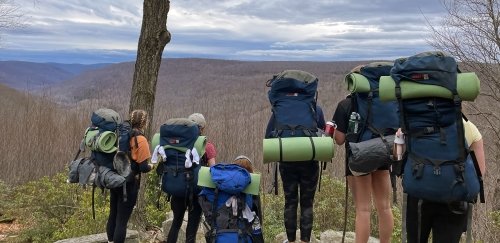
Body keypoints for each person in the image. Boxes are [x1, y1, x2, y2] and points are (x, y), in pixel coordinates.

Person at [404, 118, 486, 243]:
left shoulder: (414, 124)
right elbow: (479, 172)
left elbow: (398, 160)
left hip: (419, 195)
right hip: (455, 198)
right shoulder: (470, 129)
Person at [332, 97, 394, 243]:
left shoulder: (346, 104)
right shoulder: (384, 102)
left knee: (363, 209)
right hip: (381, 153)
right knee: (384, 207)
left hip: (357, 158)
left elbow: (339, 140)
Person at [265, 105, 325, 243]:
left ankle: (291, 241)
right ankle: (305, 241)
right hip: (310, 161)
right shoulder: (315, 108)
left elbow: (268, 135)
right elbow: (323, 135)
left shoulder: (280, 109)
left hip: (287, 161)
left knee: (290, 202)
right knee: (307, 203)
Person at [166, 113, 217, 243]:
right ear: (202, 129)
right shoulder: (207, 146)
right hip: (196, 191)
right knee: (192, 228)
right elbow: (213, 170)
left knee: (176, 223)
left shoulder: (176, 144)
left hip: (177, 189)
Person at [106, 109, 153, 243]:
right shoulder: (141, 140)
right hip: (130, 184)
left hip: (115, 179)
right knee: (122, 221)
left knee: (113, 214)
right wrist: (152, 166)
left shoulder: (120, 135)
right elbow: (143, 167)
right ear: (144, 123)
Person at [198, 155, 264, 243]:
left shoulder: (215, 188)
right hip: (243, 237)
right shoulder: (251, 192)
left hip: (218, 237)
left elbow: (203, 201)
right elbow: (256, 217)